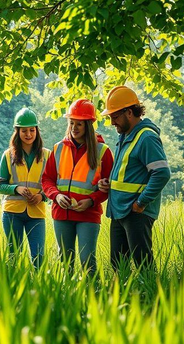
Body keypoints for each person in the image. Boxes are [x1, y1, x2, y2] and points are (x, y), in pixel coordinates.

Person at [98, 85, 170, 271]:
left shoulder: (146, 137)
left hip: (136, 212)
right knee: (118, 266)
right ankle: (120, 299)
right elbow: (128, 171)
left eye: (115, 117)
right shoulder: (126, 135)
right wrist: (109, 183)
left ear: (129, 112)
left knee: (143, 265)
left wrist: (141, 202)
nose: (112, 122)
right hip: (120, 210)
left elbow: (162, 173)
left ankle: (151, 298)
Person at [42, 99, 113, 275]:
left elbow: (108, 187)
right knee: (65, 260)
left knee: (86, 258)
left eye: (79, 124)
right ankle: (67, 298)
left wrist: (91, 200)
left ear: (88, 125)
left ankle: (93, 295)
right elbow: (46, 179)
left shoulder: (103, 151)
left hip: (88, 214)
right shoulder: (58, 148)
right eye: (71, 123)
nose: (74, 127)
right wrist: (56, 196)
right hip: (61, 213)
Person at [0, 108, 50, 268]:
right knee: (13, 257)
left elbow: (53, 184)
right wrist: (16, 189)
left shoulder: (47, 155)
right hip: (12, 213)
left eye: (32, 130)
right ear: (17, 132)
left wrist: (42, 196)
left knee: (39, 257)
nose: (28, 134)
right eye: (24, 130)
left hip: (37, 212)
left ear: (37, 131)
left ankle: (38, 289)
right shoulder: (7, 155)